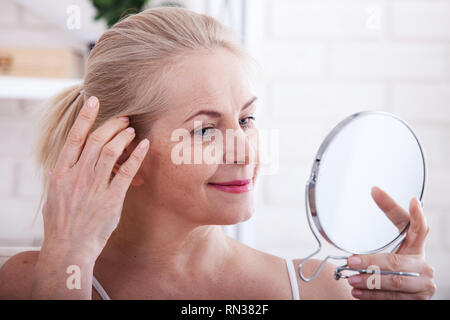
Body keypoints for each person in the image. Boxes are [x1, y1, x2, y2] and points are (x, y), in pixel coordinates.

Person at [0, 7, 435, 300]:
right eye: (205, 129)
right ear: (121, 154)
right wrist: (67, 262)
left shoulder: (326, 290)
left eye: (246, 120)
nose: (245, 150)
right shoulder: (30, 282)